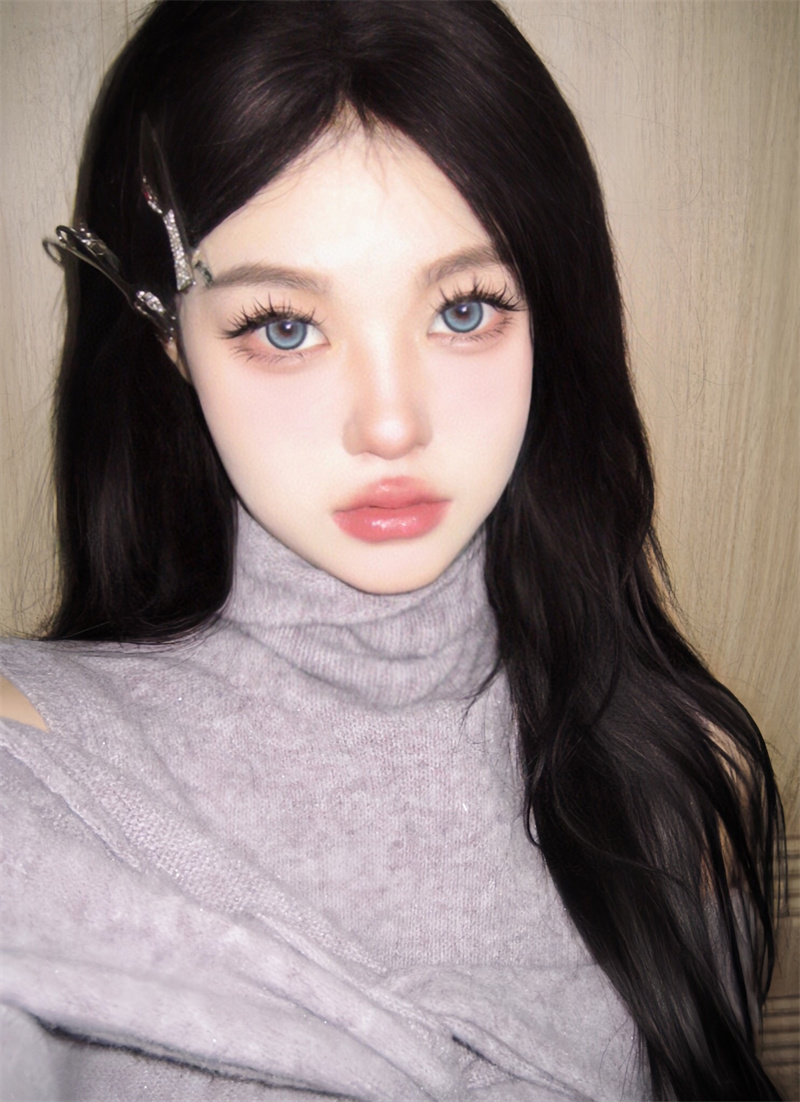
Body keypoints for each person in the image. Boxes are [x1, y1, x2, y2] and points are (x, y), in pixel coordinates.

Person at [0, 1, 784, 1099]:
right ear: (172, 338)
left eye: (463, 311)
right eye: (283, 326)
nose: (389, 424)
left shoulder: (664, 772)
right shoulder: (30, 772)